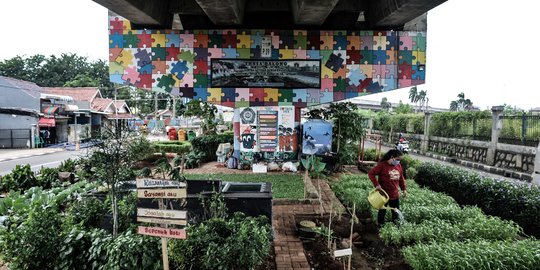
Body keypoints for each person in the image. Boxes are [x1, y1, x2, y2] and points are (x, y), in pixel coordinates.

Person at [368, 149, 408, 225]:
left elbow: (401, 178)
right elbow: (371, 174)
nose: (398, 161)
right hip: (383, 195)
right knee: (382, 212)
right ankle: (380, 226)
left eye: (399, 160)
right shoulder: (382, 165)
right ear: (392, 157)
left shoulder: (398, 166)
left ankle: (395, 227)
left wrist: (404, 189)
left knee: (395, 213)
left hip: (395, 195)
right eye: (397, 159)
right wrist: (377, 185)